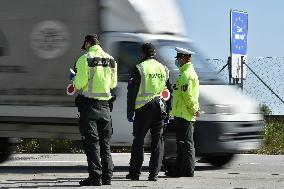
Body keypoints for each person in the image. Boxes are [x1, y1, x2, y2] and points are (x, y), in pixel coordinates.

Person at [72, 34, 117, 186]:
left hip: (89, 107)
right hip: (105, 107)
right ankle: (107, 177)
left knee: (92, 143)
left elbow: (79, 83)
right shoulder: (111, 60)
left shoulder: (85, 59)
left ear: (87, 43)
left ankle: (95, 177)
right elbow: (112, 84)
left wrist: (73, 79)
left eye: (84, 45)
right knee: (105, 143)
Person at [126, 43, 170, 181]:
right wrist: (168, 111)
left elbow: (132, 92)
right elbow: (168, 92)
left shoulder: (139, 68)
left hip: (143, 109)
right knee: (157, 141)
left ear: (142, 54)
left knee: (138, 141)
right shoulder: (164, 68)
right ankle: (154, 174)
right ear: (154, 53)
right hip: (160, 108)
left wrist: (130, 110)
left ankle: (135, 173)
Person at [166, 47, 200, 177]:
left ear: (185, 58)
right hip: (182, 113)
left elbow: (188, 96)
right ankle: (179, 169)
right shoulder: (185, 73)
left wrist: (194, 110)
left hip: (185, 114)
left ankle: (187, 170)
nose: (177, 61)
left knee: (186, 144)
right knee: (182, 144)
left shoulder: (186, 75)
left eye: (179, 59)